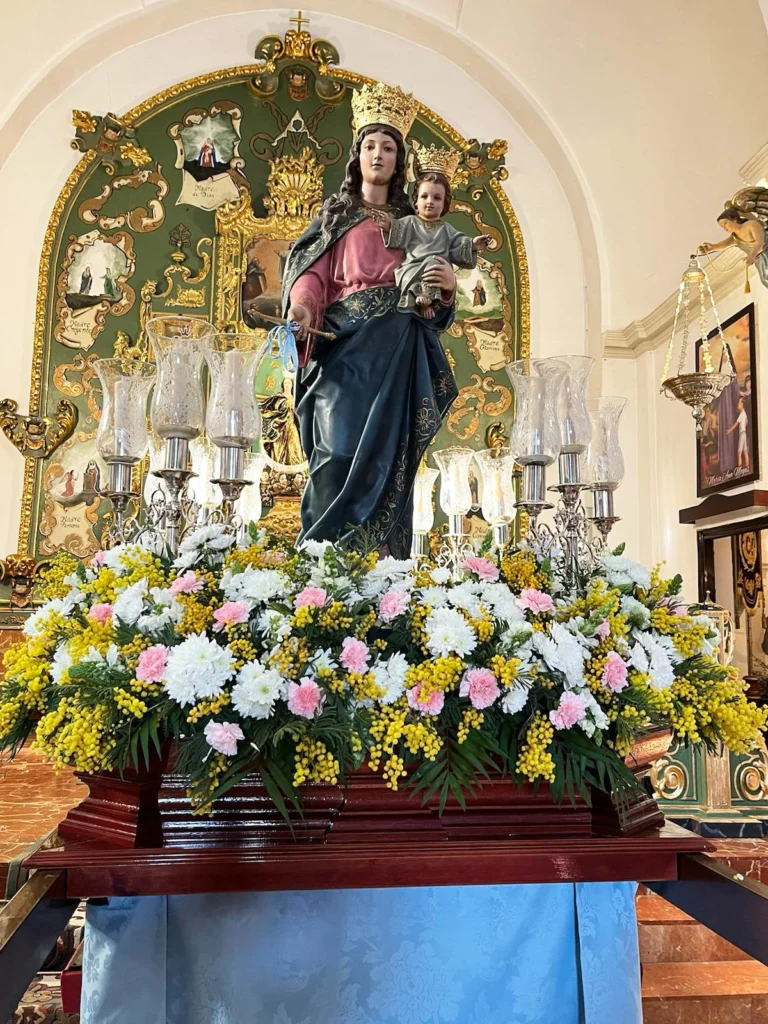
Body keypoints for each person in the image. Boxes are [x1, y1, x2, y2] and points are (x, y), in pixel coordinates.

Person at [282, 83, 458, 557]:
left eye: (388, 148)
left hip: (397, 347)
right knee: (336, 452)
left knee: (388, 458)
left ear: (400, 161)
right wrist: (301, 310)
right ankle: (321, 561)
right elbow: (312, 275)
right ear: (357, 155)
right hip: (343, 348)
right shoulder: (336, 216)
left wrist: (444, 287)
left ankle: (383, 567)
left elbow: (433, 299)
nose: (378, 155)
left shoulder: (415, 221)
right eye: (370, 146)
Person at [371, 164, 490, 318]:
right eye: (424, 196)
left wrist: (473, 245)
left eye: (437, 198)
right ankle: (422, 299)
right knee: (429, 265)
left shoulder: (446, 230)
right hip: (413, 269)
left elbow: (458, 245)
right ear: (416, 201)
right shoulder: (411, 222)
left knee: (434, 262)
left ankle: (428, 301)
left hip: (435, 271)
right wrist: (388, 225)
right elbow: (398, 232)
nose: (430, 201)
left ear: (445, 204)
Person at [700, 207, 768, 287]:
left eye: (725, 223)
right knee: (764, 279)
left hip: (766, 252)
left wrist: (752, 255)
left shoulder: (751, 225)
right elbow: (723, 244)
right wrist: (712, 247)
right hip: (759, 260)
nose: (724, 227)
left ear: (734, 219)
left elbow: (759, 242)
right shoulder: (735, 238)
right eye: (722, 226)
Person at [727, 396, 751, 471]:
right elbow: (746, 422)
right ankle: (747, 467)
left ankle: (739, 469)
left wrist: (729, 430)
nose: (738, 404)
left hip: (742, 434)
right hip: (744, 433)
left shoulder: (742, 414)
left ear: (742, 404)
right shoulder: (744, 413)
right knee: (745, 451)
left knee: (739, 452)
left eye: (739, 402)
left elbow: (736, 424)